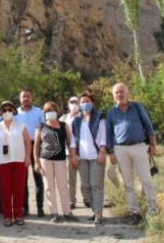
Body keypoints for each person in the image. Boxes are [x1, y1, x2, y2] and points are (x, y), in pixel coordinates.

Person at [106, 83, 158, 224]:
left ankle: (153, 210)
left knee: (146, 180)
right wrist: (111, 151)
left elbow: (148, 125)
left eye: (122, 91)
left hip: (139, 147)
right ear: (113, 96)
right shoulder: (111, 112)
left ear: (127, 92)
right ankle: (134, 212)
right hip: (120, 150)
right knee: (128, 183)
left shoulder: (136, 106)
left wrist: (153, 144)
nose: (119, 95)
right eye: (116, 93)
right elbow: (109, 133)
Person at [34, 102, 78, 223]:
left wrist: (73, 157)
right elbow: (36, 145)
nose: (50, 112)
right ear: (44, 113)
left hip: (61, 160)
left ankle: (67, 212)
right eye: (47, 110)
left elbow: (70, 143)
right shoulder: (40, 127)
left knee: (63, 186)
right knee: (49, 187)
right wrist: (36, 162)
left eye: (53, 110)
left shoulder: (64, 125)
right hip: (45, 160)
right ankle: (54, 213)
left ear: (57, 111)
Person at [0, 101, 31, 227]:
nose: (7, 112)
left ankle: (18, 215)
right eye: (5, 110)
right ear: (1, 113)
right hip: (3, 163)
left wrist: (27, 157)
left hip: (19, 161)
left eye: (10, 110)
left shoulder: (21, 126)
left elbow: (28, 142)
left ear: (13, 112)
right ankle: (7, 216)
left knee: (19, 190)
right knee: (5, 190)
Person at [71, 91, 107, 226]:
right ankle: (94, 210)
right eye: (82, 102)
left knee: (96, 185)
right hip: (82, 157)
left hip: (96, 156)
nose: (85, 104)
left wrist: (102, 152)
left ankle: (98, 214)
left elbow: (103, 136)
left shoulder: (99, 117)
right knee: (86, 186)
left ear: (92, 103)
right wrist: (74, 155)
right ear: (79, 105)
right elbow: (73, 140)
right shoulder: (77, 120)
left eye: (87, 101)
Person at [15, 89, 45, 217]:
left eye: (28, 96)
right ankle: (24, 208)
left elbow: (44, 130)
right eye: (23, 96)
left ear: (31, 98)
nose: (26, 98)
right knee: (23, 180)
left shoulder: (39, 112)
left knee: (38, 179)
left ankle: (40, 208)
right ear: (20, 99)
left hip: (37, 146)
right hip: (21, 147)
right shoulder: (15, 113)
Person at [60, 96, 84, 209]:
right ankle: (71, 200)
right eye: (72, 102)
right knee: (70, 178)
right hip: (68, 152)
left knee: (85, 178)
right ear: (68, 104)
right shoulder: (63, 118)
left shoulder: (85, 116)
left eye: (76, 101)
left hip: (83, 152)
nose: (74, 103)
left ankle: (87, 199)